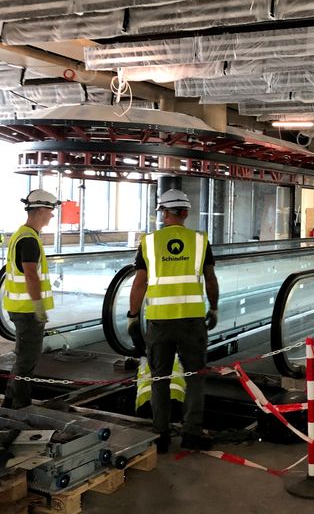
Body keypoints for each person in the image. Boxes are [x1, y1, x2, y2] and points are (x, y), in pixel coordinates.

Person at [128, 189, 219, 454]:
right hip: (192, 322)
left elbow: (140, 283)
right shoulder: (199, 241)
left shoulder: (150, 242)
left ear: (164, 213)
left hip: (159, 322)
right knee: (195, 378)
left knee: (160, 379)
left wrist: (133, 317)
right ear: (186, 213)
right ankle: (191, 432)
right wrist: (213, 308)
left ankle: (161, 435)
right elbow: (210, 278)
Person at [1, 189, 60, 409]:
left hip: (19, 307)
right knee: (27, 362)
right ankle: (20, 408)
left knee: (22, 359)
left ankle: (9, 402)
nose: (52, 216)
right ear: (42, 210)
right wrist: (38, 307)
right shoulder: (29, 240)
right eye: (51, 211)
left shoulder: (22, 234)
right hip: (27, 310)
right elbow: (31, 275)